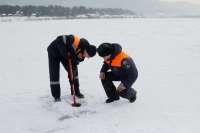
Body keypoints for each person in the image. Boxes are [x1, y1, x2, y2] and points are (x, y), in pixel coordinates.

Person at [47, 34, 96, 102]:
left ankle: (76, 91)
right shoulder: (76, 40)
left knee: (74, 71)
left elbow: (76, 61)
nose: (87, 57)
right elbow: (60, 39)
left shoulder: (83, 53)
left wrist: (76, 59)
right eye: (87, 55)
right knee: (54, 73)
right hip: (54, 50)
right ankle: (56, 96)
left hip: (66, 55)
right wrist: (66, 54)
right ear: (86, 50)